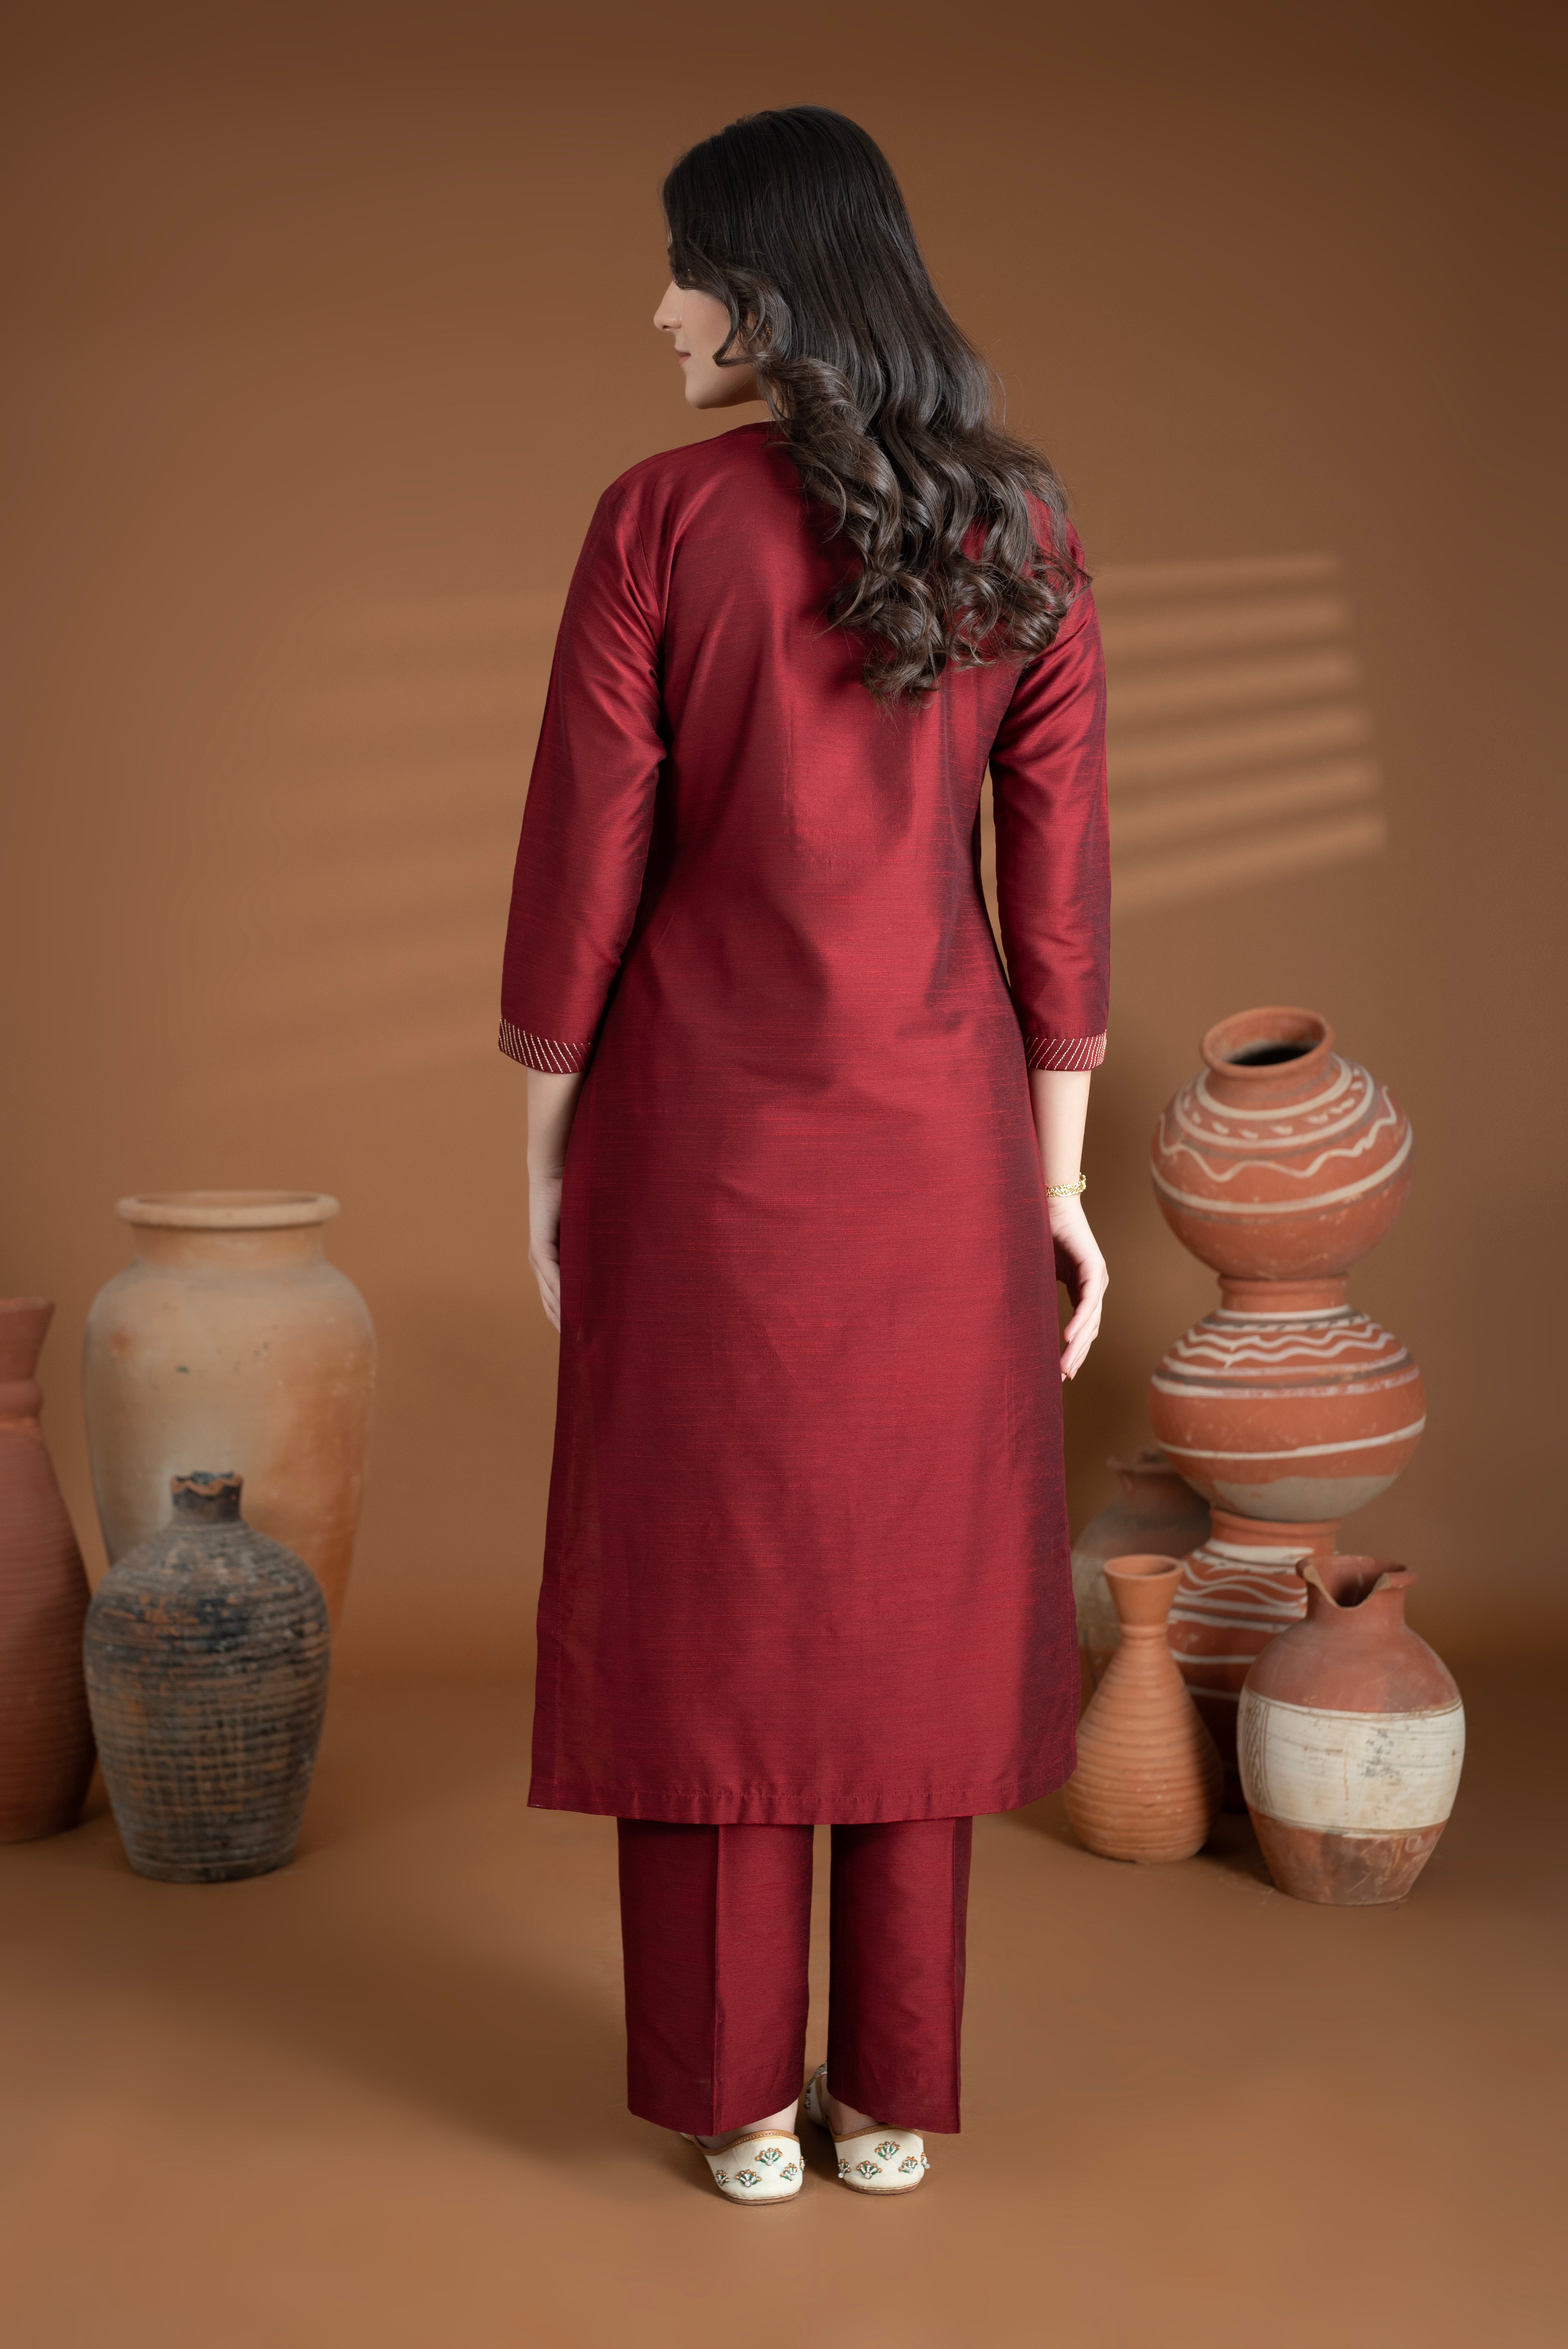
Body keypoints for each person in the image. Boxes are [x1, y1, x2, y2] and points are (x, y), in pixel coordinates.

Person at [499, 106, 1109, 2205]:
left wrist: (544, 1153)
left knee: (713, 1601)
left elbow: (582, 865)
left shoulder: (656, 519)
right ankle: (888, 2097)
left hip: (696, 1143)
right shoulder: (1021, 530)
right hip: (940, 1145)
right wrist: (1056, 1187)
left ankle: (736, 2098)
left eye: (683, 268)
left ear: (762, 287)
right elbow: (1056, 892)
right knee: (909, 1598)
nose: (662, 309)